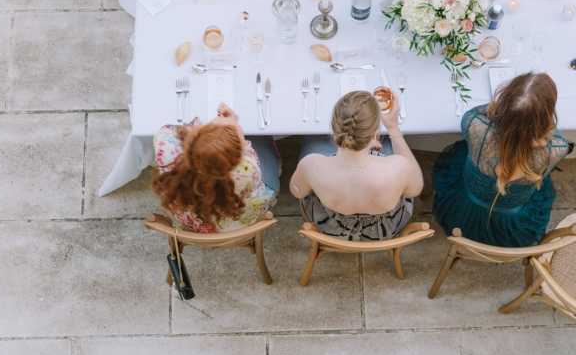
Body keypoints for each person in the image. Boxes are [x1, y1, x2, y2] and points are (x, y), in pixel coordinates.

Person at [433, 73, 572, 247]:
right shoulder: (557, 149)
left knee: (460, 153)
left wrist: (510, 111)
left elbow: (478, 111)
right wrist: (536, 130)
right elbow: (553, 134)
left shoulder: (474, 124)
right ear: (546, 115)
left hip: (464, 206)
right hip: (513, 224)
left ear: (505, 100)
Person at [289, 90, 424, 241]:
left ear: (334, 130)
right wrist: (393, 129)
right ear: (375, 134)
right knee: (404, 185)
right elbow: (415, 189)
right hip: (383, 232)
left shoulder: (311, 164)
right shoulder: (399, 166)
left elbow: (298, 192)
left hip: (330, 229)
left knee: (310, 155)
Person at [152, 103, 280, 233]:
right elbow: (246, 149)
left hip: (193, 223)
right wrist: (233, 123)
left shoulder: (166, 150)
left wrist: (207, 132)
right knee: (262, 139)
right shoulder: (247, 171)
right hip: (236, 224)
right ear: (237, 158)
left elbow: (165, 129)